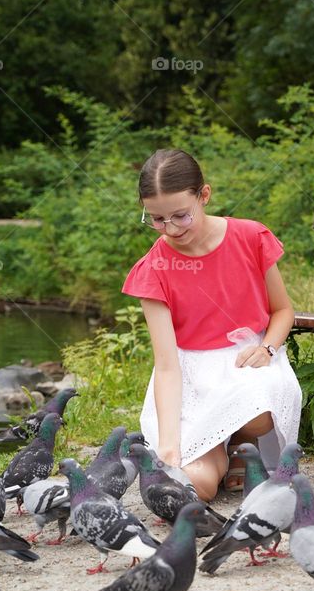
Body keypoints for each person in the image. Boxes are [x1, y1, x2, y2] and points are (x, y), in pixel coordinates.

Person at [122, 149, 301, 501]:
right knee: (196, 488)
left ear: (204, 196)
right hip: (191, 375)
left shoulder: (250, 237)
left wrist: (268, 348)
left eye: (180, 216)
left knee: (260, 410)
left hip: (244, 359)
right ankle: (213, 452)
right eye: (157, 219)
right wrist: (170, 447)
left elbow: (283, 311)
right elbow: (168, 366)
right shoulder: (153, 269)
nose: (170, 229)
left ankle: (240, 444)